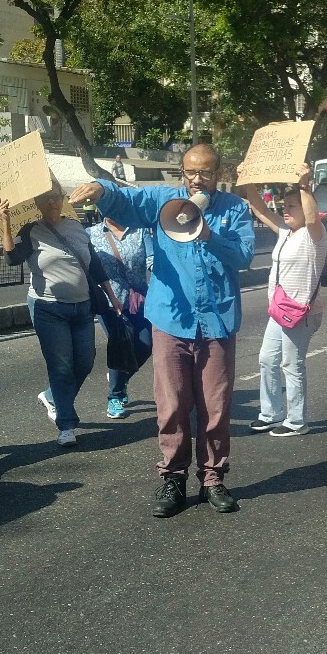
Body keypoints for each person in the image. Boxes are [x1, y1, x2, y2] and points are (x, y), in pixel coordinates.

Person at [69, 144, 255, 518]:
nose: (196, 179)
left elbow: (244, 256)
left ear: (218, 173)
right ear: (181, 172)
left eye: (204, 172)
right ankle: (173, 477)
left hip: (216, 321)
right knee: (171, 406)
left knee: (215, 409)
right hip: (171, 320)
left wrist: (209, 236)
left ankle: (213, 479)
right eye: (189, 172)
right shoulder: (162, 200)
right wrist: (103, 191)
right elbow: (126, 205)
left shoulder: (234, 208)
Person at [0, 184, 120, 447]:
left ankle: (52, 396)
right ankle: (66, 424)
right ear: (37, 203)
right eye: (46, 199)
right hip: (48, 308)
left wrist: (112, 296)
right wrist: (5, 221)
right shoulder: (31, 231)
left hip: (83, 305)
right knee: (61, 367)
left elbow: (95, 266)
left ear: (63, 200)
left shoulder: (76, 227)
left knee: (86, 361)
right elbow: (11, 258)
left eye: (56, 198)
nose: (52, 203)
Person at [242, 165, 327, 437]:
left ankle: (297, 420)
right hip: (279, 310)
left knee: (292, 364)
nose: (285, 210)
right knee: (267, 360)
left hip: (301, 311)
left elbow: (313, 219)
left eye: (292, 206)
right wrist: (248, 182)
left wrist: (304, 186)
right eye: (284, 205)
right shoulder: (284, 231)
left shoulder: (314, 235)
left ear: (306, 207)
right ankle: (270, 413)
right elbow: (261, 210)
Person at [88, 215, 154, 418]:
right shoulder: (91, 234)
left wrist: (159, 269)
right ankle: (115, 398)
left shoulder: (139, 230)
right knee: (120, 347)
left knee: (146, 344)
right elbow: (88, 265)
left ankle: (120, 377)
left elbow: (152, 259)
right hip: (110, 302)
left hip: (139, 299)